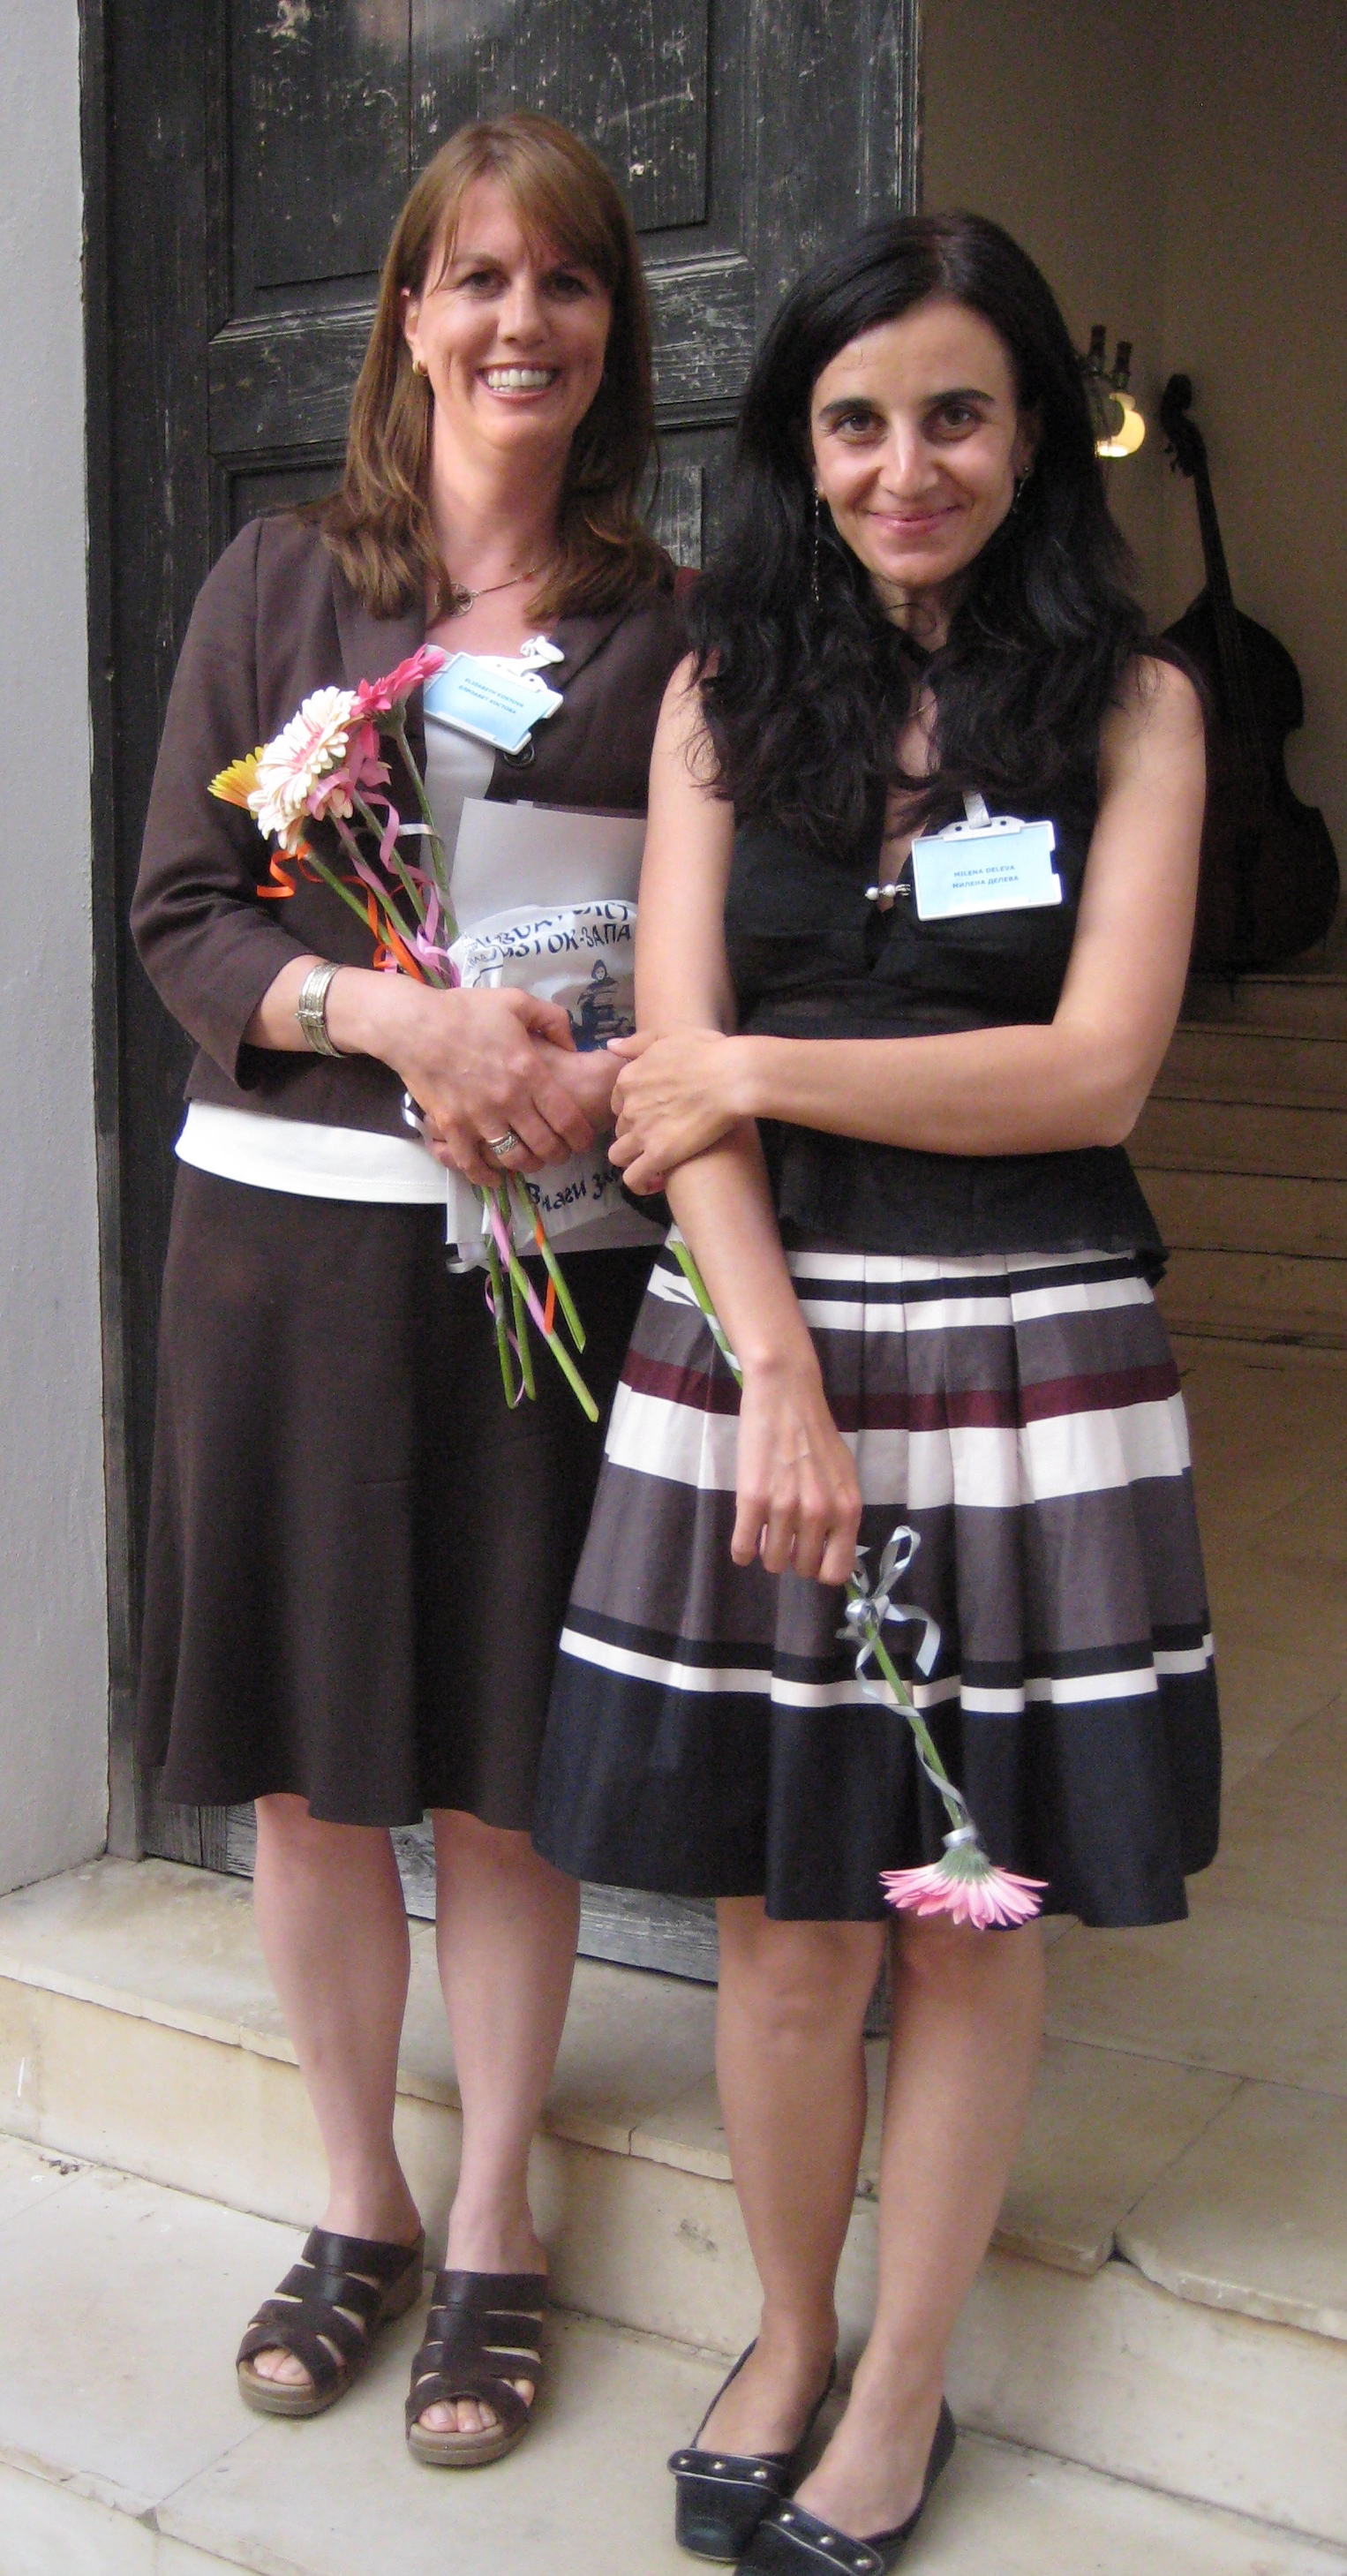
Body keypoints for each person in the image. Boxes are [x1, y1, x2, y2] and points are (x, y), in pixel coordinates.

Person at [534, 212, 1217, 2568]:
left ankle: (904, 2386)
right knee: (784, 1914)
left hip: (1035, 1356)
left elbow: (1094, 1073)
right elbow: (675, 1089)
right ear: (797, 446)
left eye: (955, 415)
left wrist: (746, 1062)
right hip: (759, 1352)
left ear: (1032, 436)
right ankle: (790, 2329)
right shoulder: (723, 693)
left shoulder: (1137, 709)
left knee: (962, 1902)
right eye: (855, 422)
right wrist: (782, 1374)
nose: (904, 466)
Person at [132, 110, 684, 2466]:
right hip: (277, 1261)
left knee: (498, 1770)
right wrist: (397, 1023)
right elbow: (182, 916)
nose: (517, 320)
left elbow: (715, 958)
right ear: (409, 315)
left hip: (529, 1271)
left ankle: (496, 2218)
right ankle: (356, 2195)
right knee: (308, 1765)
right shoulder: (279, 584)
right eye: (476, 277)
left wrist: (576, 1074)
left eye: (563, 281)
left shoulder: (670, 628)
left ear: (610, 329)